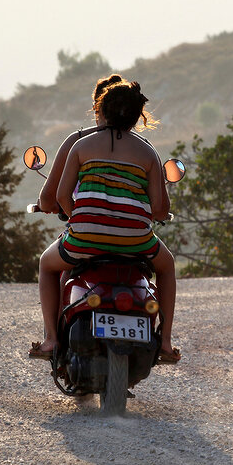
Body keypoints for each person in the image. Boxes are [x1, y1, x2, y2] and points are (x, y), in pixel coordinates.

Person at [29, 75, 180, 363]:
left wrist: (78, 218)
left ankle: (50, 339)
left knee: (46, 265)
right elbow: (160, 209)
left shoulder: (81, 144)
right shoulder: (148, 151)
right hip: (136, 242)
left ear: (101, 110)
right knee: (168, 265)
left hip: (85, 238)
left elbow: (61, 196)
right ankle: (166, 341)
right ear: (138, 117)